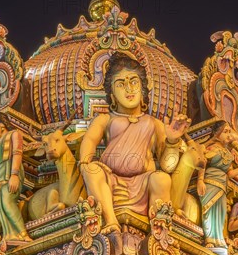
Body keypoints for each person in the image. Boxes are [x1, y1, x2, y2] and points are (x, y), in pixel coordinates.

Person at [79, 52, 190, 234]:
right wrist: (86, 163)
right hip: (111, 181)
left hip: (143, 183)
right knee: (91, 170)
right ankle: (110, 220)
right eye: (120, 84)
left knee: (162, 178)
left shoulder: (153, 123)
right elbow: (89, 141)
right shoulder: (105, 119)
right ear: (112, 94)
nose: (129, 89)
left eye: (133, 82)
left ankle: (158, 230)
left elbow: (167, 165)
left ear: (143, 88)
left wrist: (172, 140)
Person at [0, 112, 32, 242]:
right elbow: (0, 171)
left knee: (8, 203)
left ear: (1, 125)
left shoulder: (14, 134)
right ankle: (10, 236)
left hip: (12, 173)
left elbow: (17, 154)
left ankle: (23, 235)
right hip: (2, 176)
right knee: (2, 206)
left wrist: (14, 175)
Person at [196, 121, 238, 253]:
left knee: (221, 212)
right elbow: (202, 162)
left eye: (230, 131)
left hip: (222, 186)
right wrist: (200, 180)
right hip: (210, 182)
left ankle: (218, 239)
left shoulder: (228, 153)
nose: (229, 135)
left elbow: (229, 173)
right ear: (217, 133)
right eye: (226, 131)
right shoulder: (211, 148)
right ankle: (209, 239)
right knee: (209, 210)